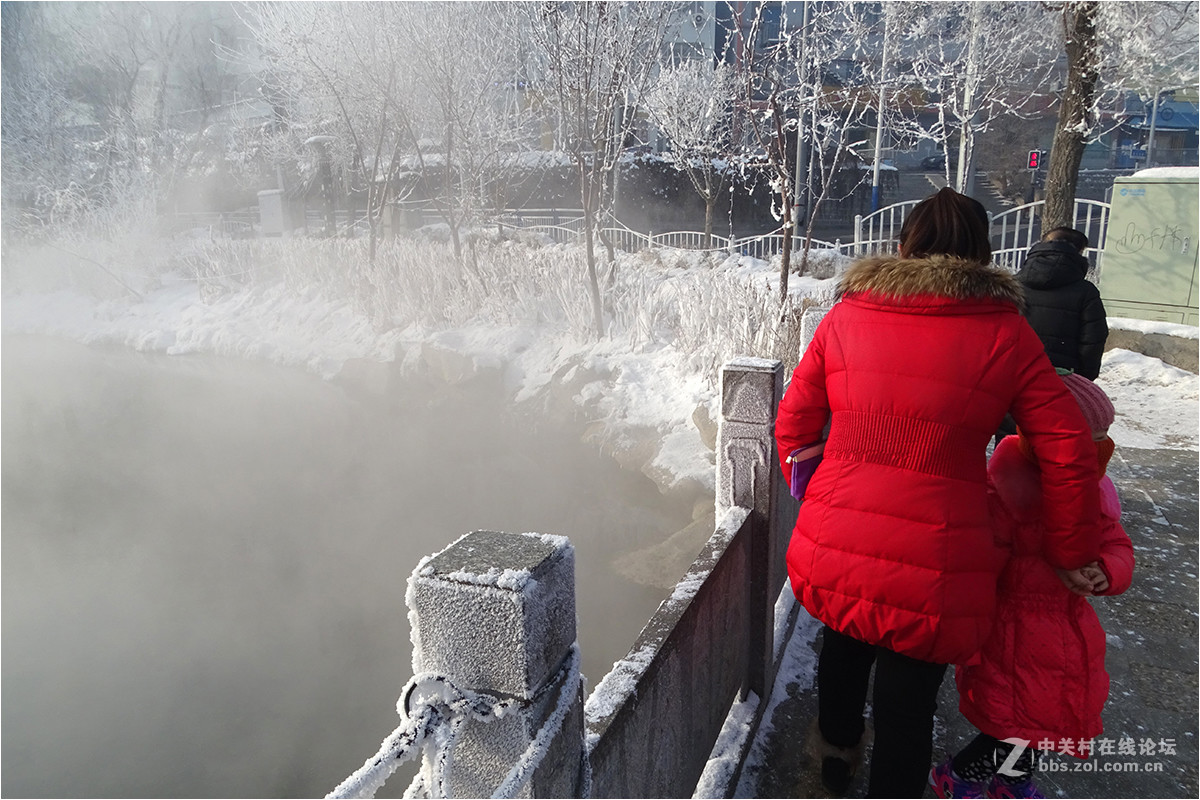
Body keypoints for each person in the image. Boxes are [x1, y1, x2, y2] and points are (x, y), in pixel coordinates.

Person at [775, 187, 1101, 798]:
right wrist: (1069, 549)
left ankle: (836, 756)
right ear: (980, 254)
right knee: (908, 702)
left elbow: (793, 422)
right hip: (939, 555)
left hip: (841, 533)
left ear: (905, 244)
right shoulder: (1005, 331)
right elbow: (1067, 447)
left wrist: (820, 491)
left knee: (843, 645)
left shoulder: (848, 314)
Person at [931, 373, 1134, 799]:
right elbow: (981, 561)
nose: (1102, 449)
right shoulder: (1005, 494)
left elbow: (1116, 543)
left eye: (1105, 437)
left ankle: (1011, 781)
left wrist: (1107, 571)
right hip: (1013, 632)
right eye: (1091, 438)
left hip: (1066, 630)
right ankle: (960, 774)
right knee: (1017, 726)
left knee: (1038, 722)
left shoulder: (1095, 494)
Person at [1015, 227, 1108, 381]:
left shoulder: (1010, 285)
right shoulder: (1086, 292)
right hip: (1063, 377)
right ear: (1078, 252)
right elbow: (1093, 339)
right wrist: (1084, 378)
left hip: (1013, 373)